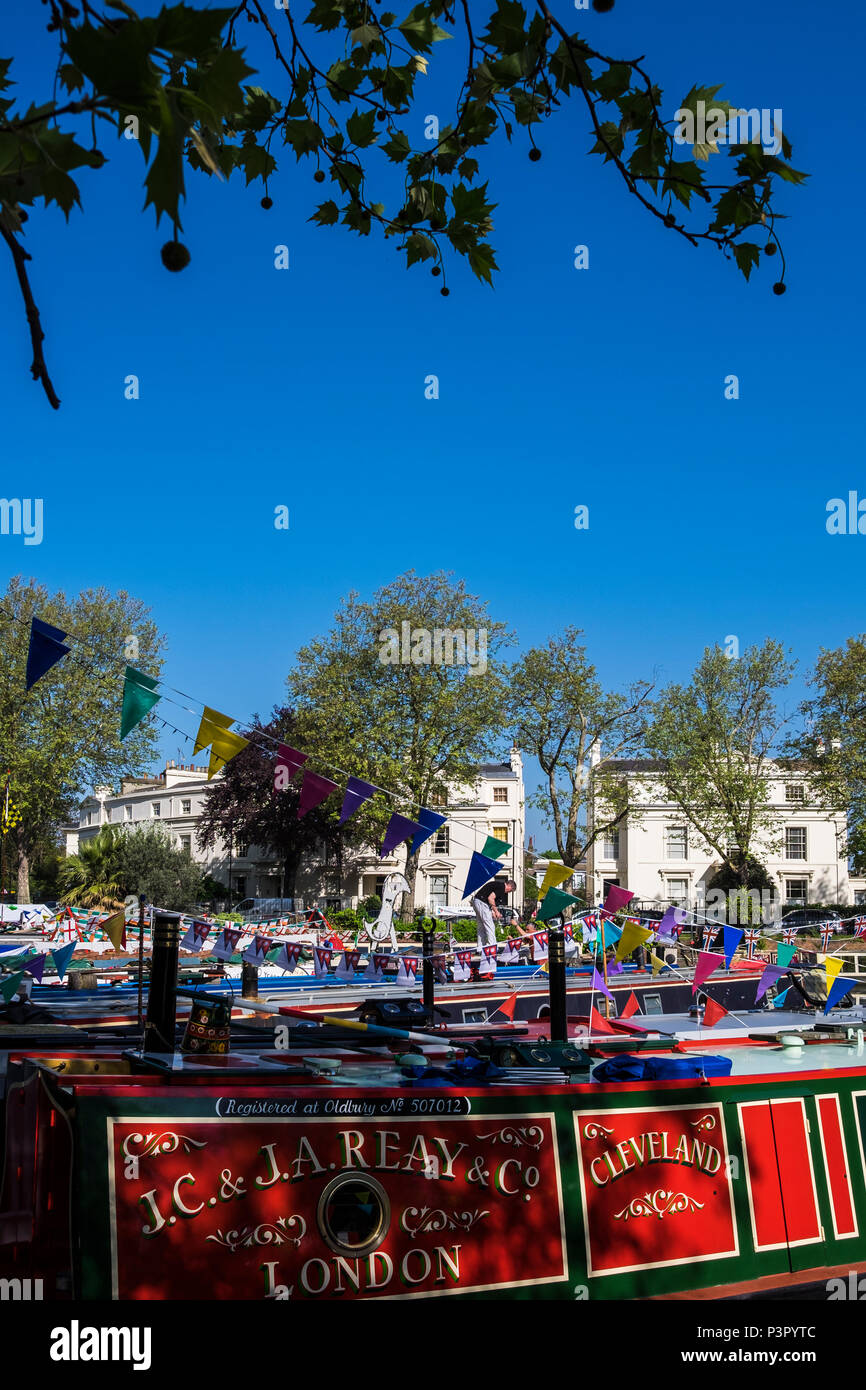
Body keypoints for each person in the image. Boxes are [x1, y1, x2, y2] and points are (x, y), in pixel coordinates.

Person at [472, 877, 517, 951]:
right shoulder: (502, 887)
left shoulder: (497, 885)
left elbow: (489, 899)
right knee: (490, 926)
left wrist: (492, 911)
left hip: (477, 901)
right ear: (510, 886)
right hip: (482, 903)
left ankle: (480, 949)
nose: (508, 892)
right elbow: (491, 898)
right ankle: (492, 947)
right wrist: (496, 911)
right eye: (510, 891)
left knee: (481, 927)